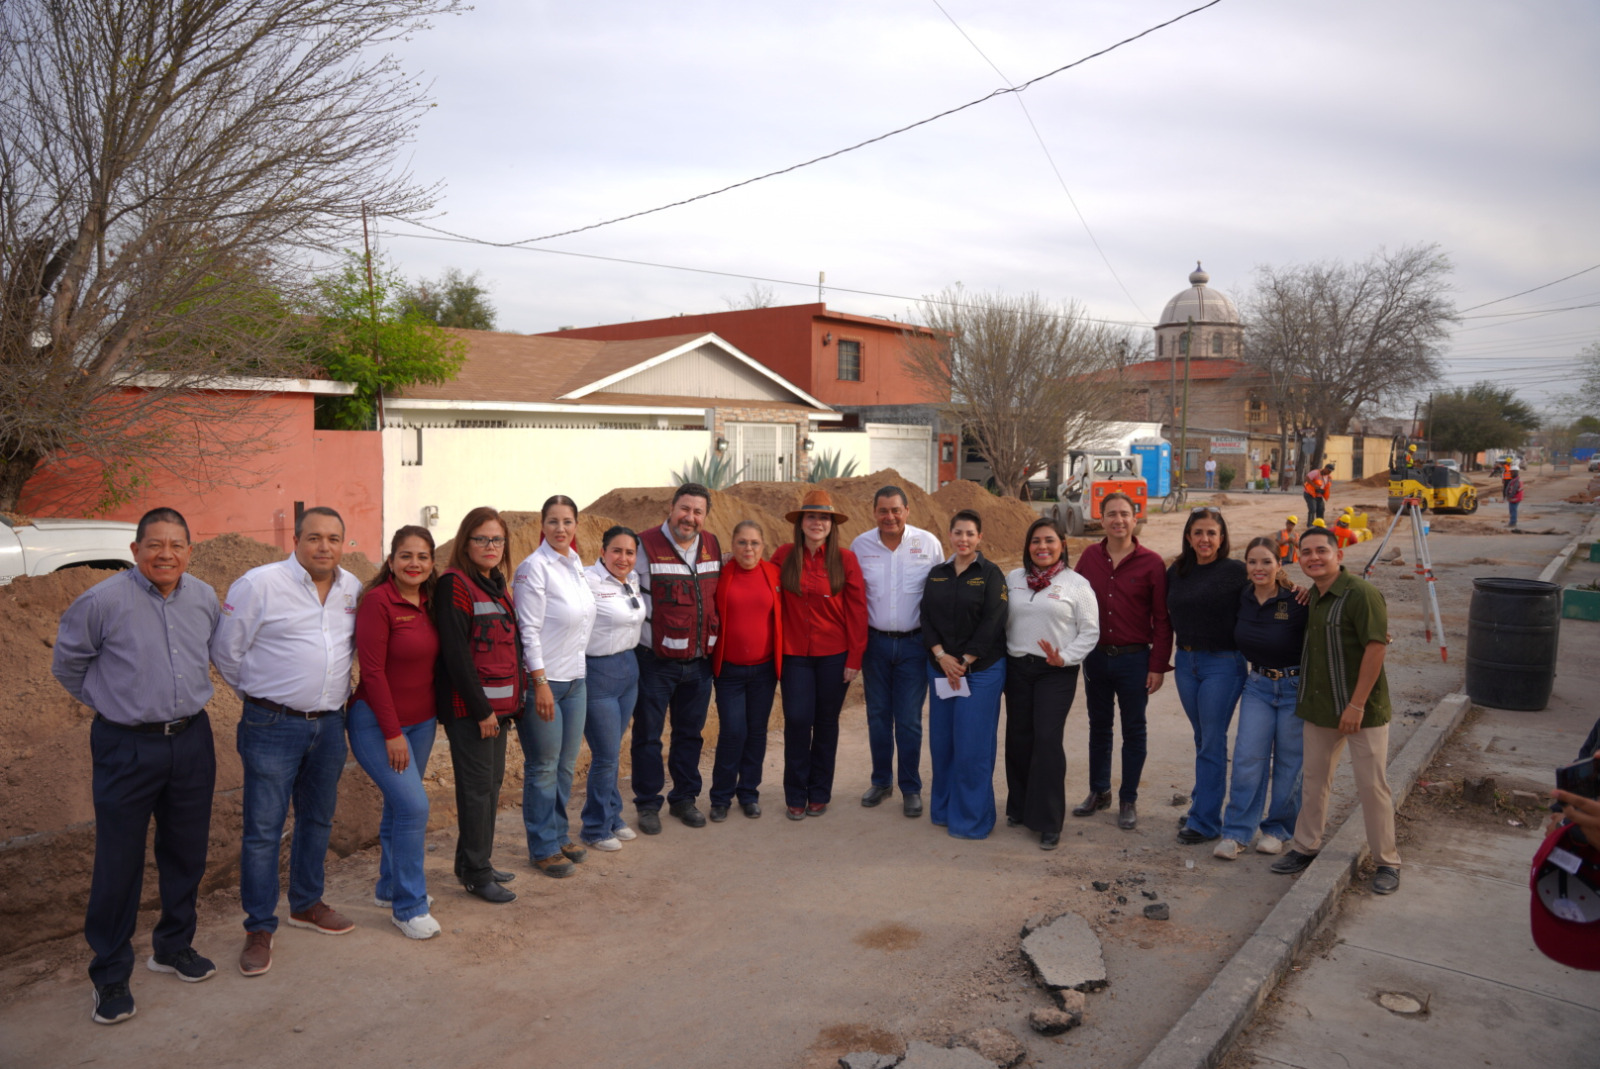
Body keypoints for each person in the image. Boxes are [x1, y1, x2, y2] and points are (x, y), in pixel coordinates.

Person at [52, 508, 220, 1023]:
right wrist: (115, 704)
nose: (165, 554)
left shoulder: (205, 597)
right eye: (154, 545)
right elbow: (68, 665)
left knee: (186, 851)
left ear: (190, 550)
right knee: (119, 862)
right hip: (125, 746)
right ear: (135, 551)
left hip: (192, 740)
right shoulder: (102, 601)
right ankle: (110, 973)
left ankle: (172, 947)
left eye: (176, 545)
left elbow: (210, 653)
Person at [212, 506, 362, 977]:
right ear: (295, 540)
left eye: (334, 539)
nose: (324, 547)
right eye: (314, 537)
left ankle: (306, 903)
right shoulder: (259, 584)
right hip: (271, 727)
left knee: (316, 819)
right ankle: (259, 927)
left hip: (330, 726)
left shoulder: (352, 589)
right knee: (263, 830)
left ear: (343, 543)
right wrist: (263, 700)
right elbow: (226, 652)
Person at [1271, 527, 1401, 895]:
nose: (1314, 557)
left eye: (1321, 551)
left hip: (1363, 712)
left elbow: (1376, 648)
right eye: (1306, 552)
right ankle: (1305, 846)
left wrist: (1356, 704)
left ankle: (1387, 862)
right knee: (1314, 782)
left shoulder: (1362, 594)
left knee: (1373, 787)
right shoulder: (1311, 596)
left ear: (1338, 554)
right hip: (1320, 710)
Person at [349, 525, 442, 939]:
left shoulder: (429, 601)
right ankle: (409, 907)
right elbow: (371, 671)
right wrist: (391, 733)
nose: (414, 563)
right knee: (413, 807)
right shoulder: (377, 602)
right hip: (377, 723)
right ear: (391, 561)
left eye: (422, 556)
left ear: (431, 563)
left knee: (398, 806)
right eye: (406, 556)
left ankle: (389, 888)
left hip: (422, 722)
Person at [433, 507, 522, 905]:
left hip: (499, 711)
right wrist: (482, 710)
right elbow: (456, 656)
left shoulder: (496, 583)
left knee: (490, 785)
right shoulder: (455, 585)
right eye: (482, 539)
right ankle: (478, 873)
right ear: (464, 543)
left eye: (497, 540)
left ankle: (471, 862)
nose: (491, 546)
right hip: (473, 712)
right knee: (476, 791)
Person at [1072, 492, 1172, 830]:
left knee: (1134, 730)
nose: (1118, 520)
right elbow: (1073, 602)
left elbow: (1162, 618)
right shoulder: (1088, 557)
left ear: (1135, 517)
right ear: (1101, 520)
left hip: (1134, 661)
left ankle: (1128, 798)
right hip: (1097, 658)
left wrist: (1158, 665)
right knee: (1099, 727)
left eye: (1125, 513)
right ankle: (1099, 792)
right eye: (1112, 514)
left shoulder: (1152, 563)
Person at [512, 495, 597, 878]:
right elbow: (527, 631)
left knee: (565, 766)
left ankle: (560, 834)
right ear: (541, 526)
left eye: (567, 521)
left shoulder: (576, 563)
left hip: (576, 681)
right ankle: (543, 847)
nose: (561, 528)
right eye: (553, 522)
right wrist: (540, 682)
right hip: (545, 684)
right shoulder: (534, 569)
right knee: (543, 768)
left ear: (576, 525)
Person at [1003, 518, 1100, 850]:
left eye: (1049, 541)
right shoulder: (1013, 579)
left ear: (1062, 544)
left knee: (1046, 738)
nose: (1042, 547)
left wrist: (1066, 657)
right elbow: (999, 621)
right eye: (1035, 541)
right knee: (1018, 736)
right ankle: (1018, 806)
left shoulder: (1076, 584)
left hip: (1055, 672)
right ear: (1027, 546)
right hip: (1017, 668)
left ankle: (1047, 820)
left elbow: (1090, 631)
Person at [771, 490, 867, 819]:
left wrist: (855, 659)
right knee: (798, 721)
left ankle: (819, 792)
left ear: (831, 524)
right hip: (794, 654)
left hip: (834, 656)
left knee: (826, 724)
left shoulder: (845, 560)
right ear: (800, 523)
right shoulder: (783, 556)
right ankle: (795, 794)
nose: (817, 522)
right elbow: (758, 582)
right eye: (811, 516)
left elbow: (857, 611)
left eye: (823, 517)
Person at [632, 483, 722, 833]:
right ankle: (648, 803)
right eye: (685, 509)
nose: (690, 517)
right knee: (649, 735)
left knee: (690, 734)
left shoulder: (712, 544)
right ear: (671, 508)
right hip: (655, 662)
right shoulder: (643, 545)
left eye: (698, 512)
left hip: (699, 663)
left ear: (705, 516)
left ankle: (684, 799)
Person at [1215, 536, 1308, 860]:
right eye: (1252, 562)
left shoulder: (1298, 600)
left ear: (1279, 564)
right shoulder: (1241, 597)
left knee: (1288, 762)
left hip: (1294, 687)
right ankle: (1236, 832)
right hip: (1258, 685)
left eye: (1266, 561)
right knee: (1247, 760)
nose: (1258, 568)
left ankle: (1277, 830)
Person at [851, 485, 939, 818]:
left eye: (896, 510)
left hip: (915, 646)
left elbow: (941, 592)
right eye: (883, 511)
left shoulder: (927, 544)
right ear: (874, 512)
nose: (890, 517)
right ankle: (881, 781)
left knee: (909, 721)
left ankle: (911, 787)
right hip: (875, 644)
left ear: (907, 511)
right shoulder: (861, 546)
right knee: (877, 717)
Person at [921, 509, 1008, 839]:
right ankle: (943, 810)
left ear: (979, 538)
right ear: (950, 535)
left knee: (972, 747)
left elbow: (995, 620)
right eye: (958, 533)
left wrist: (966, 660)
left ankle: (972, 819)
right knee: (943, 745)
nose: (963, 539)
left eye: (970, 534)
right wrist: (942, 656)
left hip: (980, 672)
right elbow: (925, 618)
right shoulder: (937, 574)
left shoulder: (990, 574)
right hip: (942, 670)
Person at [1167, 507, 1248, 846]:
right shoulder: (1178, 571)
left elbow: (1270, 592)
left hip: (1223, 664)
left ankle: (1206, 821)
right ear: (1188, 537)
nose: (1205, 539)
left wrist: (1297, 591)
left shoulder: (1236, 571)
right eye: (1198, 533)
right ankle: (1204, 804)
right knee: (1203, 738)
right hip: (1186, 663)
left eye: (1211, 533)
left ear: (1222, 538)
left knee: (1213, 741)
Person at [709, 520, 784, 821]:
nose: (748, 548)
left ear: (763, 546)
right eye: (742, 542)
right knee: (732, 732)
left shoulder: (773, 574)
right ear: (732, 545)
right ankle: (721, 797)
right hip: (729, 671)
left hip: (764, 671)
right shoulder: (720, 573)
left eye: (754, 543)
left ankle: (749, 793)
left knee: (756, 733)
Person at [580, 526, 648, 851]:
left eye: (630, 552)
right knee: (605, 756)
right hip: (598, 673)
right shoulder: (587, 581)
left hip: (628, 670)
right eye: (617, 551)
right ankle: (594, 827)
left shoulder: (631, 581)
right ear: (603, 551)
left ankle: (613, 815)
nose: (623, 558)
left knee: (613, 751)